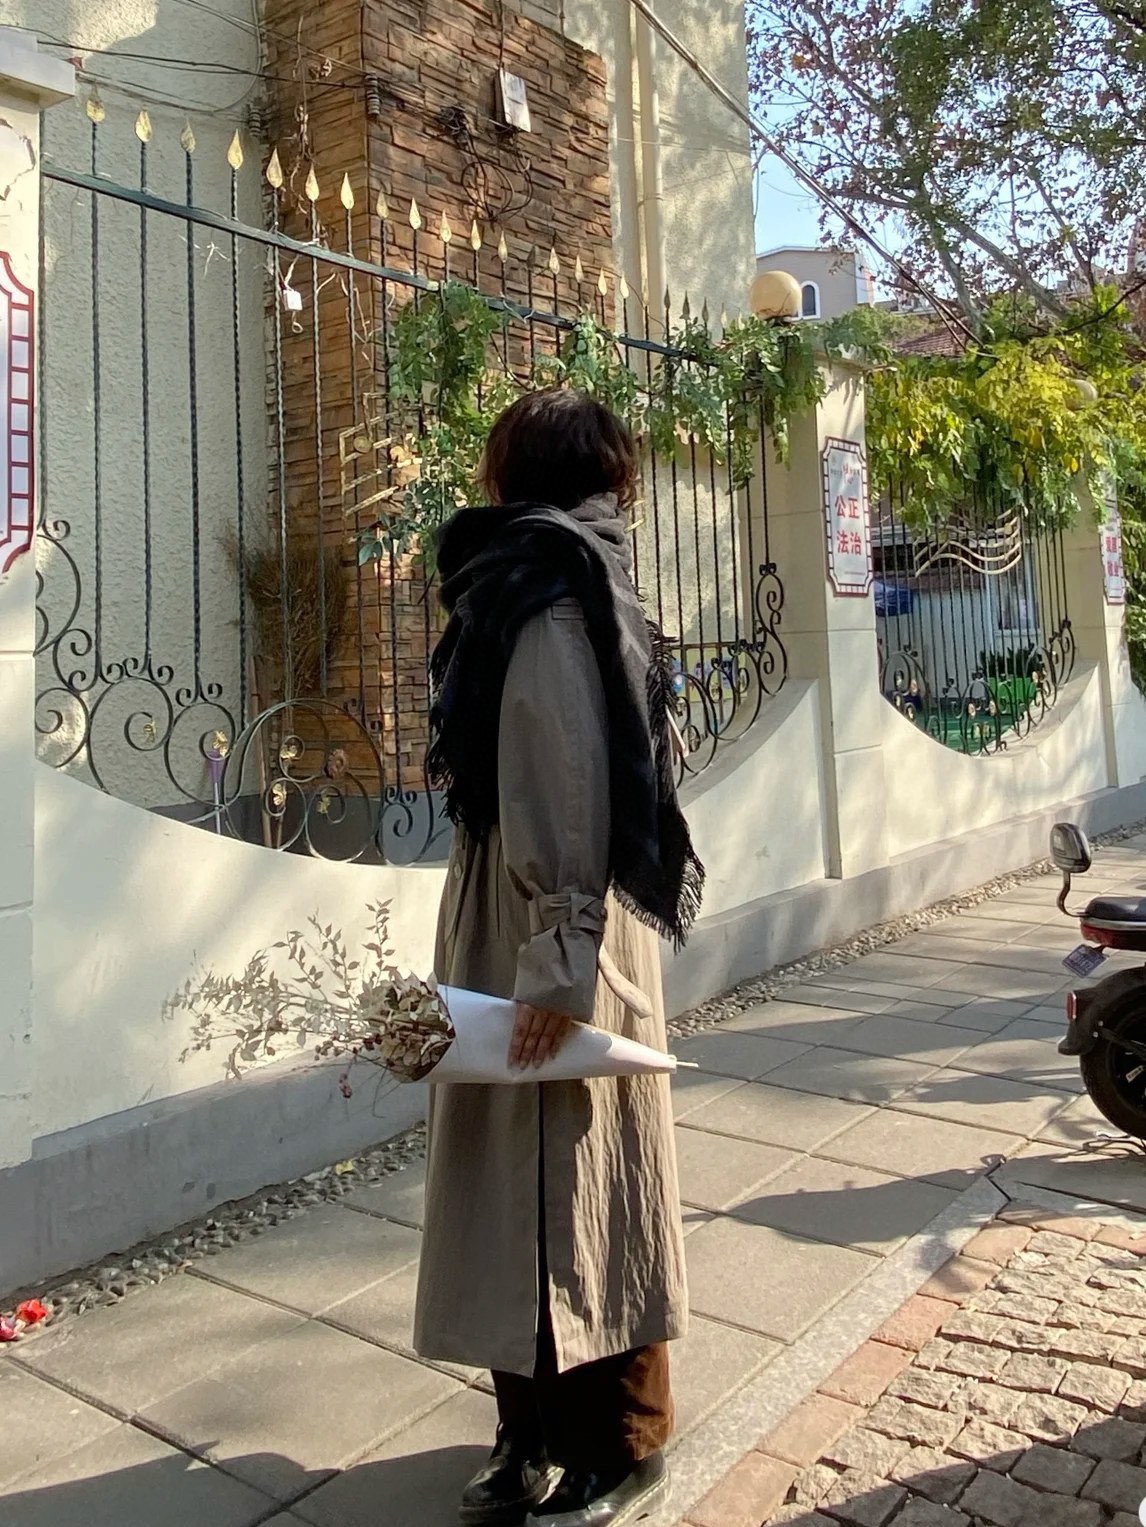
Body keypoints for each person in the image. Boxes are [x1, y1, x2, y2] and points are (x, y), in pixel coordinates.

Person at [413, 387, 704, 1527]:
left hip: (552, 915)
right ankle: (528, 1426)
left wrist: (557, 961)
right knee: (518, 1174)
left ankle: (616, 1439)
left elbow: (570, 773)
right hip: (530, 907)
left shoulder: (550, 589)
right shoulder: (551, 573)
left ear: (511, 474)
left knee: (568, 1169)